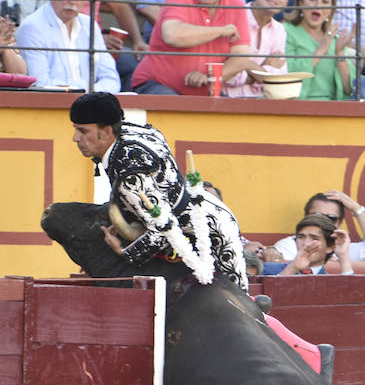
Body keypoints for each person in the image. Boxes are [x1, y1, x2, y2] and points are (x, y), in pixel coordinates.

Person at [70, 92, 249, 290]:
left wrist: (123, 251)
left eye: (83, 131)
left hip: (210, 235)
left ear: (105, 132)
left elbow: (163, 229)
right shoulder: (133, 131)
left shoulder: (130, 174)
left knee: (236, 306)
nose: (76, 138)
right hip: (210, 215)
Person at [130, 0, 261, 95]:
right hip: (157, 84)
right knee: (174, 107)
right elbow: (172, 35)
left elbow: (240, 58)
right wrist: (221, 31)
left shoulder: (236, 5)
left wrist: (209, 78)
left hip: (205, 92)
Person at [15, 0, 120, 91]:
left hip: (91, 103)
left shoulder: (89, 25)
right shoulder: (32, 27)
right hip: (53, 105)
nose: (73, 1)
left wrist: (90, 93)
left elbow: (112, 80)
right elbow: (39, 83)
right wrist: (86, 89)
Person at [283, 0, 356, 99]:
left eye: (325, 1)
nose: (318, 6)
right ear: (300, 2)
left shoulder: (335, 40)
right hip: (297, 108)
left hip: (333, 110)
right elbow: (287, 74)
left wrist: (340, 53)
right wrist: (321, 49)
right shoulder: (285, 32)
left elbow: (348, 89)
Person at [274, 190, 365, 261]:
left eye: (331, 218)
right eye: (317, 215)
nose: (322, 221)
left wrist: (356, 208)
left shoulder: (343, 247)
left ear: (339, 223)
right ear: (305, 217)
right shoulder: (290, 245)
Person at [224, 0, 289, 97]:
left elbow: (278, 79)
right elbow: (224, 73)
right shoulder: (233, 16)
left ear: (285, 3)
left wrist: (244, 63)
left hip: (261, 103)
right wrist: (264, 70)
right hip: (225, 99)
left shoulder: (279, 30)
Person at [267, 213, 355, 275]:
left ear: (330, 247)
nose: (305, 243)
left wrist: (343, 256)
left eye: (314, 238)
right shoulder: (267, 269)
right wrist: (292, 269)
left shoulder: (328, 282)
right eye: (301, 237)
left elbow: (352, 296)